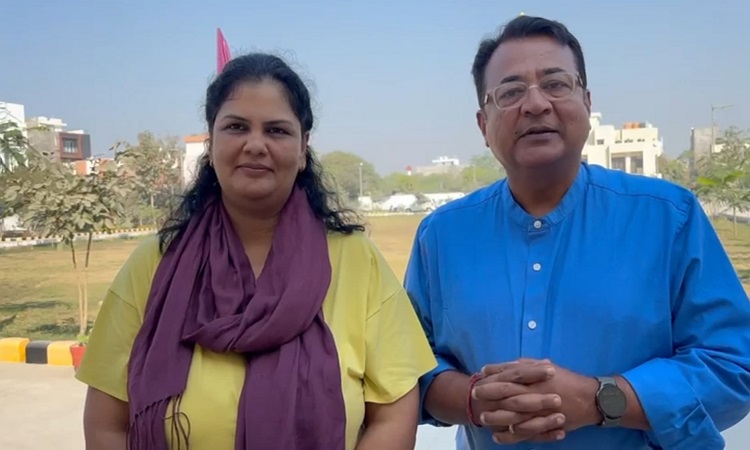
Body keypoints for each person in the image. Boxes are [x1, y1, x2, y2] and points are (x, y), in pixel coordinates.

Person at [405, 15, 750, 450]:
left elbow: (733, 367)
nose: (535, 104)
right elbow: (408, 369)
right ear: (482, 124)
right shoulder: (440, 237)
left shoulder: (669, 217)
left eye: (555, 84)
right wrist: (475, 400)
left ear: (587, 102)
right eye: (510, 92)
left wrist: (600, 399)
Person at [75, 52, 437, 450]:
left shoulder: (356, 261)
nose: (255, 145)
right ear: (211, 143)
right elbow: (107, 424)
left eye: (277, 130)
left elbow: (395, 412)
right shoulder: (156, 263)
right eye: (236, 126)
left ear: (303, 150)